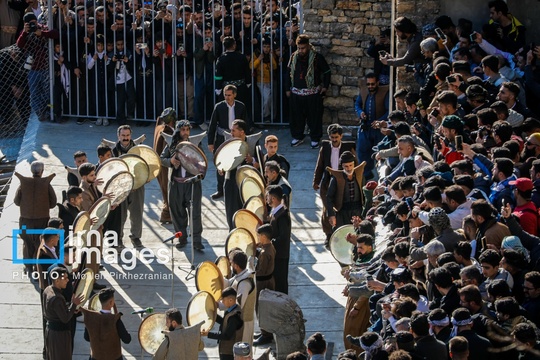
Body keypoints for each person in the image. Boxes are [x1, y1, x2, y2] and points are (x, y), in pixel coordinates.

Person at [160, 120, 204, 251]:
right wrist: (170, 161)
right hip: (176, 184)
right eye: (183, 130)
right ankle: (182, 238)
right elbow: (162, 159)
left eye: (187, 130)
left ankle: (196, 241)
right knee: (177, 213)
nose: (185, 132)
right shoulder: (171, 145)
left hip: (192, 184)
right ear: (178, 131)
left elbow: (202, 160)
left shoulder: (194, 144)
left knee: (195, 213)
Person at [313, 124, 356, 246]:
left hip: (342, 183)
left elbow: (355, 165)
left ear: (341, 136)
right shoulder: (325, 148)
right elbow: (320, 165)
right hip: (327, 182)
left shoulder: (348, 148)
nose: (334, 140)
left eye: (336, 137)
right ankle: (328, 235)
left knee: (341, 209)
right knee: (327, 209)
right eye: (332, 137)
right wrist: (316, 181)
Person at [286, 34, 331, 149]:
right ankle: (298, 136)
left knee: (314, 117)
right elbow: (288, 73)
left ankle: (315, 138)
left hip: (312, 94)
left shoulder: (317, 58)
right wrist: (287, 89)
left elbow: (327, 72)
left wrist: (325, 86)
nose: (301, 50)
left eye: (303, 48)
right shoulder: (293, 57)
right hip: (296, 94)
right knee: (296, 117)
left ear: (308, 46)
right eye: (299, 48)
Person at [14, 161, 57, 272]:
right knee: (40, 243)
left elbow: (16, 201)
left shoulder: (24, 184)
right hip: (42, 220)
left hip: (25, 221)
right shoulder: (46, 184)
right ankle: (37, 267)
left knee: (27, 242)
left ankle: (28, 266)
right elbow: (53, 203)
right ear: (42, 171)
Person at [16, 12, 59, 121]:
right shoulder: (25, 32)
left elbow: (55, 34)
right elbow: (19, 45)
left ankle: (47, 111)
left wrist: (42, 33)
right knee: (34, 93)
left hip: (45, 67)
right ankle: (40, 113)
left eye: (34, 22)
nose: (32, 25)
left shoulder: (43, 28)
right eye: (30, 23)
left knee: (47, 92)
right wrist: (25, 33)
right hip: (33, 68)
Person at [207, 85, 247, 200]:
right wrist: (211, 142)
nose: (227, 97)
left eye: (229, 95)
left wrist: (245, 138)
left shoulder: (241, 106)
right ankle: (220, 190)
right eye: (225, 95)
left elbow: (245, 124)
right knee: (220, 163)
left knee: (237, 161)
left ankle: (238, 187)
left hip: (237, 138)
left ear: (234, 94)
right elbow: (213, 125)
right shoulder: (219, 107)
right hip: (222, 138)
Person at [112, 125, 145, 248]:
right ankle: (119, 238)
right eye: (123, 136)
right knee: (120, 215)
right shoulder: (113, 151)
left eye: (127, 135)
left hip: (138, 186)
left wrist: (143, 179)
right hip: (121, 187)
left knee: (137, 213)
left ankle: (136, 237)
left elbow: (146, 166)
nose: (125, 138)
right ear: (118, 136)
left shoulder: (139, 150)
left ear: (131, 135)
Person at [223, 119, 258, 229]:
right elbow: (222, 160)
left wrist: (252, 160)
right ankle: (234, 234)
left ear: (241, 132)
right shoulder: (229, 142)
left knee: (246, 210)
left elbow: (260, 163)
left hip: (247, 182)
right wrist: (221, 168)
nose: (231, 133)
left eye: (233, 131)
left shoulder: (252, 142)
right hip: (231, 181)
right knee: (231, 211)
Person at [42, 267, 83, 360]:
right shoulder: (57, 298)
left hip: (51, 332)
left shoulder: (47, 289)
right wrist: (74, 305)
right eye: (65, 278)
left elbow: (55, 310)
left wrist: (70, 308)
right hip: (59, 335)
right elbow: (65, 318)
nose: (68, 280)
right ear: (57, 280)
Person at [355, 73, 389, 177]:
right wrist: (360, 112)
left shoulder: (384, 93)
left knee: (381, 151)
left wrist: (380, 121)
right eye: (368, 84)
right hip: (366, 127)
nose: (370, 86)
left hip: (379, 129)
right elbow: (357, 104)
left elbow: (389, 111)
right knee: (362, 151)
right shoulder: (363, 92)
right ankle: (366, 174)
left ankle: (382, 175)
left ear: (377, 83)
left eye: (373, 84)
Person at [82, 288, 131, 360]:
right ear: (111, 302)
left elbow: (87, 338)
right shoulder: (115, 319)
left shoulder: (91, 318)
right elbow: (127, 340)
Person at [214, 36, 251, 126]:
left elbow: (218, 76)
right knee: (241, 109)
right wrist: (248, 83)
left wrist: (218, 88)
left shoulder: (221, 59)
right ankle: (244, 127)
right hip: (240, 88)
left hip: (226, 89)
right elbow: (247, 72)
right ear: (234, 45)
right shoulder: (242, 57)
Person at [326, 151, 365, 230]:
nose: (349, 168)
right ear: (342, 166)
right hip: (342, 212)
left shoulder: (360, 174)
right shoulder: (336, 178)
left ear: (354, 164)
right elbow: (329, 197)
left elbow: (364, 191)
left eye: (351, 165)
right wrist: (331, 214)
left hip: (358, 211)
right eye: (346, 166)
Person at [203, 287, 244, 360]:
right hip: (226, 350)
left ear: (230, 300)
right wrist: (214, 315)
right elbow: (224, 321)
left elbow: (227, 336)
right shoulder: (232, 308)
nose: (221, 302)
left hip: (229, 352)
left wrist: (208, 334)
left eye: (223, 300)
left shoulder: (234, 317)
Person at [265, 185, 291, 294]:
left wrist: (269, 243)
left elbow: (283, 237)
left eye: (268, 197)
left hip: (280, 255)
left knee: (280, 283)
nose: (266, 199)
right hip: (277, 254)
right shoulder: (276, 212)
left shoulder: (282, 215)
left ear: (274, 199)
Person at [252, 224, 275, 346]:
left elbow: (260, 270)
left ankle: (266, 334)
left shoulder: (265, 253)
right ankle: (265, 332)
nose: (258, 238)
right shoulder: (269, 246)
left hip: (263, 283)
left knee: (261, 308)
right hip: (269, 281)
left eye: (259, 236)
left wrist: (251, 267)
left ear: (264, 237)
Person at [153, 107, 176, 224]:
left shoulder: (159, 127)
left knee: (165, 192)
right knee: (168, 192)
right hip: (166, 167)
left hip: (159, 166)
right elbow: (164, 154)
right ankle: (166, 215)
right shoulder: (167, 133)